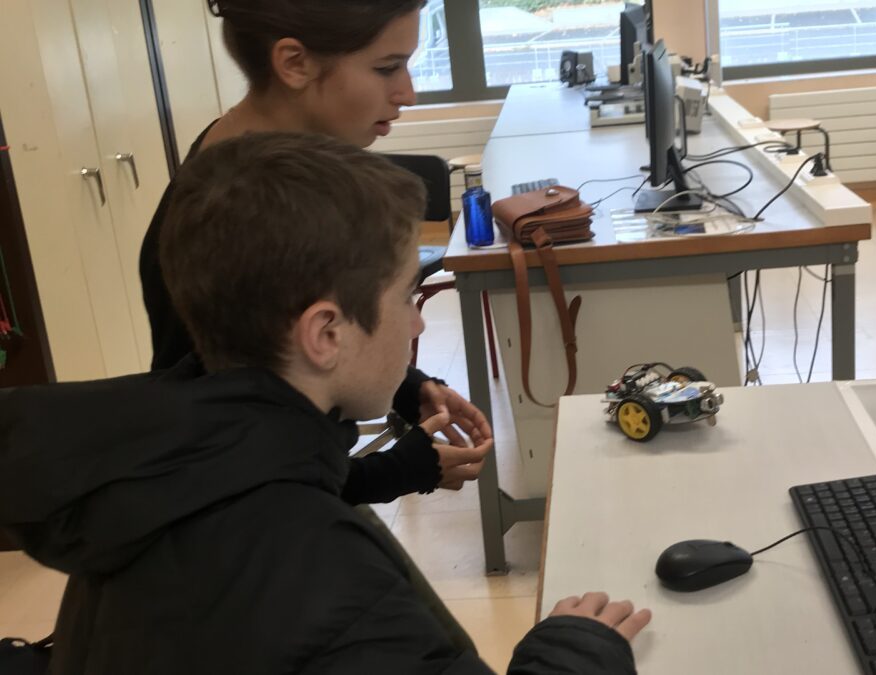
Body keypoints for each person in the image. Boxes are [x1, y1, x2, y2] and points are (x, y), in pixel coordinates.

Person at [0, 133, 650, 673]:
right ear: (326, 333)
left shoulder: (156, 473)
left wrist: (403, 465)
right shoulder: (336, 590)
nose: (418, 326)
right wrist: (575, 649)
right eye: (405, 297)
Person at [138, 0, 486, 499]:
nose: (407, 92)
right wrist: (395, 473)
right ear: (294, 63)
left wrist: (408, 386)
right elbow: (224, 459)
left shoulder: (277, 174)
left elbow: (285, 350)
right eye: (387, 67)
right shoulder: (234, 211)